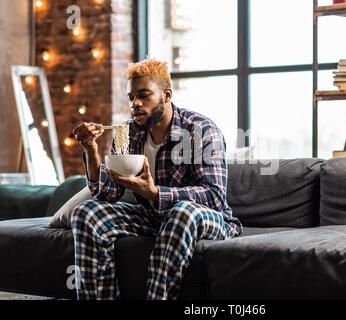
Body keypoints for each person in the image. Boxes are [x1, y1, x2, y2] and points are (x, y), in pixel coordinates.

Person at [71, 58, 243, 300]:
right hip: (151, 218)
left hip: (207, 219)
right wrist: (91, 150)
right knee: (86, 212)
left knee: (182, 212)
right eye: (131, 97)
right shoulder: (128, 133)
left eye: (144, 95)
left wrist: (155, 193)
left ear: (166, 95)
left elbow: (214, 197)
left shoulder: (200, 130)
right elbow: (107, 194)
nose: (135, 104)